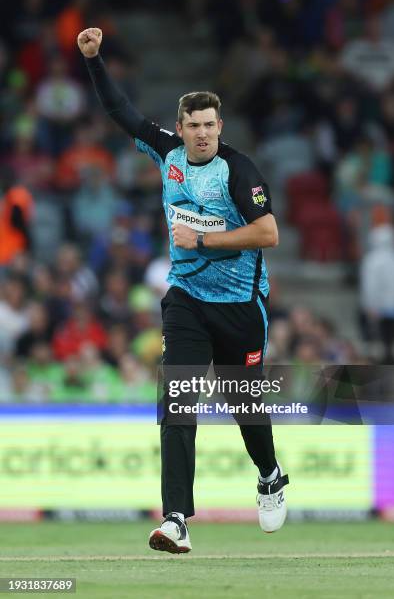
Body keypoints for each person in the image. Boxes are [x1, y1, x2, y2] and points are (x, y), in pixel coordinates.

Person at [77, 27, 289, 554]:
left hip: (240, 307)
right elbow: (120, 112)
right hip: (187, 302)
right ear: (180, 127)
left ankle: (269, 475)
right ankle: (176, 518)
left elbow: (269, 233)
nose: (200, 134)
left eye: (209, 126)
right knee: (178, 400)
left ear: (221, 126)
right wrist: (94, 60)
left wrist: (203, 237)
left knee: (247, 409)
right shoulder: (167, 155)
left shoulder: (238, 170)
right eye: (192, 126)